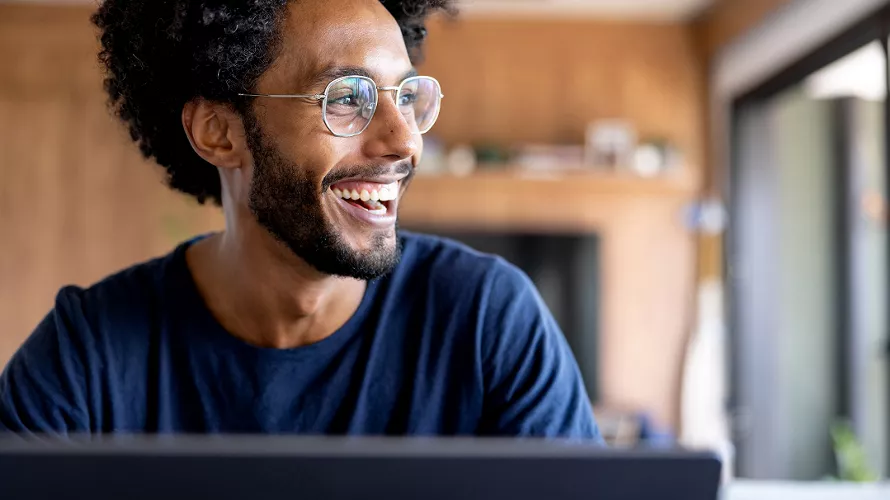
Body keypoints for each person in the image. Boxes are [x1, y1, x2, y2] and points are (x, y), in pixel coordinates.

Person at [0, 0, 600, 439]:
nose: (404, 142)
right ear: (218, 132)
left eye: (407, 97)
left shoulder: (486, 320)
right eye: (345, 97)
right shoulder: (89, 353)